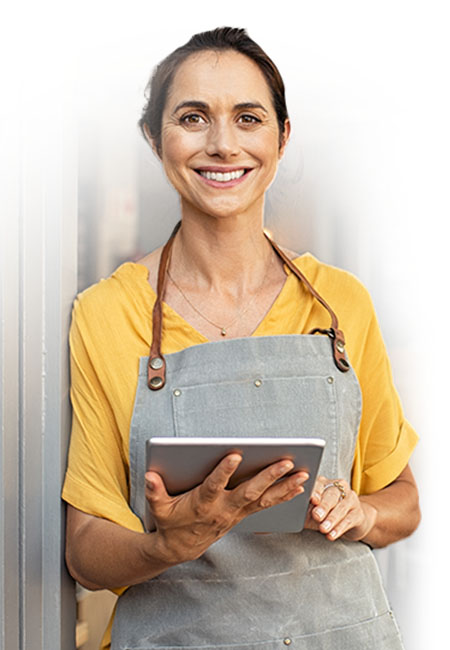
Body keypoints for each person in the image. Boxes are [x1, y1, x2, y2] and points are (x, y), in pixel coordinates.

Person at [63, 27, 420, 650]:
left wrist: (361, 513)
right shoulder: (106, 314)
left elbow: (402, 499)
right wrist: (166, 544)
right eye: (193, 117)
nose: (222, 144)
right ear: (156, 138)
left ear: (281, 138)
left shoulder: (341, 306)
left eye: (248, 118)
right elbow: (86, 551)